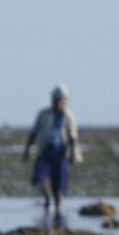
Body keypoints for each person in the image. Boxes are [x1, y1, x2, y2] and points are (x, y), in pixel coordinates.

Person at [22, 84, 82, 219]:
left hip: (61, 154)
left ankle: (58, 209)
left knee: (59, 184)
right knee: (38, 178)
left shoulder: (68, 116)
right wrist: (27, 150)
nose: (58, 104)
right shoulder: (43, 114)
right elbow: (34, 133)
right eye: (56, 100)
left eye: (61, 101)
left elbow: (73, 138)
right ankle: (46, 197)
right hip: (45, 152)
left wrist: (74, 156)